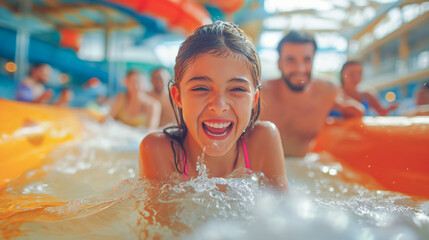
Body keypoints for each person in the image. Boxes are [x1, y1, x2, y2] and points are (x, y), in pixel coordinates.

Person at [139, 21, 288, 190]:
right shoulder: (161, 151)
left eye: (237, 89)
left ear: (254, 99)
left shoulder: (263, 141)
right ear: (177, 96)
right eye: (201, 88)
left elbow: (283, 212)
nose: (218, 106)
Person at [260, 31, 364, 158]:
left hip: (302, 166)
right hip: (262, 170)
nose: (300, 69)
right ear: (279, 64)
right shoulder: (262, 93)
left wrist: (331, 118)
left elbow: (357, 112)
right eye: (291, 60)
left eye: (307, 59)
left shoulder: (327, 91)